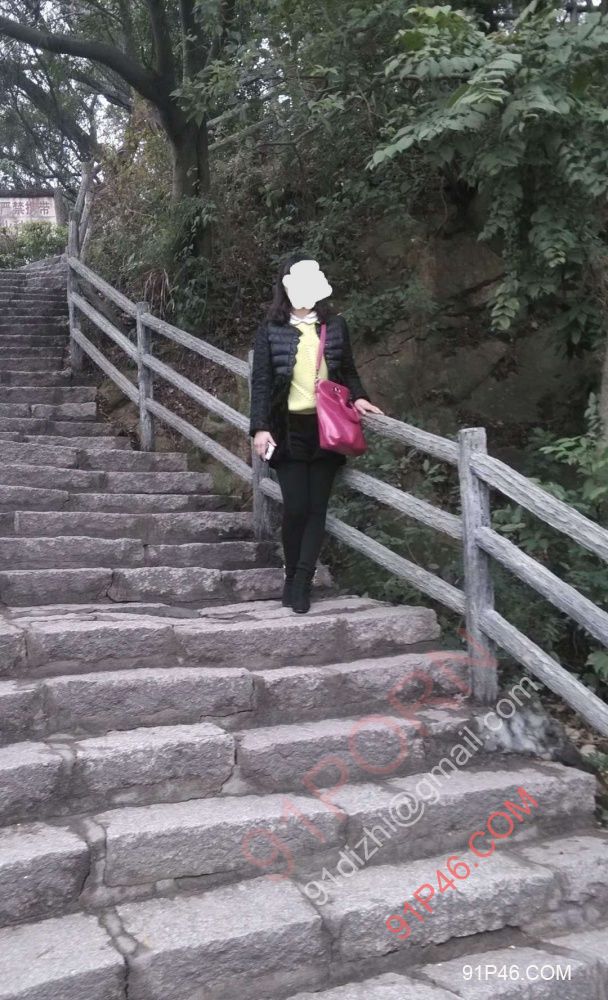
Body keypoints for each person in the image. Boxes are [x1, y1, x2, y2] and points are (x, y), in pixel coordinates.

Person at [249, 254, 382, 614]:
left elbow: (348, 370)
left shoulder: (335, 325)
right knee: (296, 507)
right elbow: (261, 382)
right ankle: (291, 574)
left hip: (327, 428)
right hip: (286, 429)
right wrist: (260, 427)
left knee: (316, 508)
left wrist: (361, 397)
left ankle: (303, 582)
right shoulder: (270, 330)